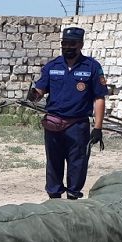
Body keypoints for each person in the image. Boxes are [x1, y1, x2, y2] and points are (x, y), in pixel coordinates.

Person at [25, 26, 108, 199]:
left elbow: (99, 98)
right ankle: (54, 199)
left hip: (77, 126)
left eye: (72, 44)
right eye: (65, 44)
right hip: (53, 124)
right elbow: (40, 92)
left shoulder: (92, 67)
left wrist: (98, 127)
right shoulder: (52, 66)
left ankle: (72, 197)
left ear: (81, 44)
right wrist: (33, 95)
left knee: (77, 163)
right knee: (53, 163)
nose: (68, 47)